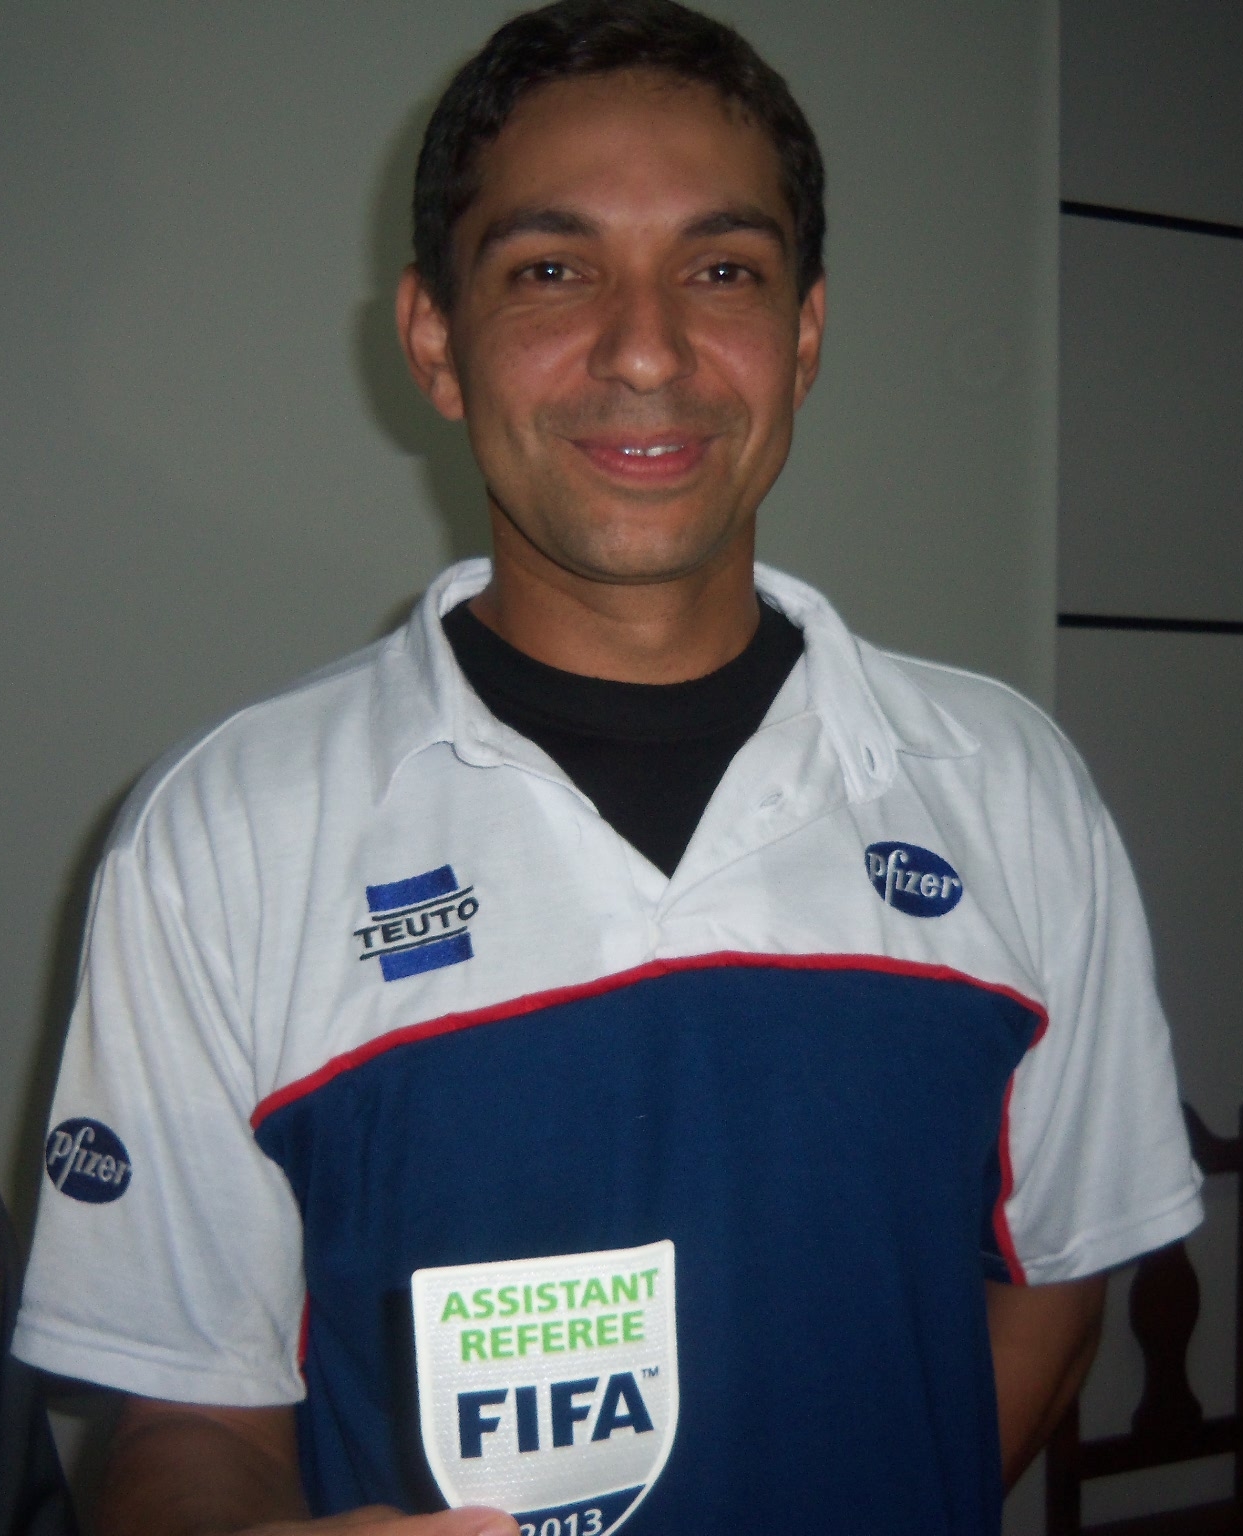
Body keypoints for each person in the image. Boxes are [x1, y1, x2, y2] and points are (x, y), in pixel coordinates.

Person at [13, 2, 1203, 1533]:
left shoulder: (1010, 790)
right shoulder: (220, 839)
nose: (647, 352)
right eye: (551, 272)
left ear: (805, 335)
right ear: (435, 341)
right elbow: (188, 1419)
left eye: (723, 271)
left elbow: (1053, 1291)